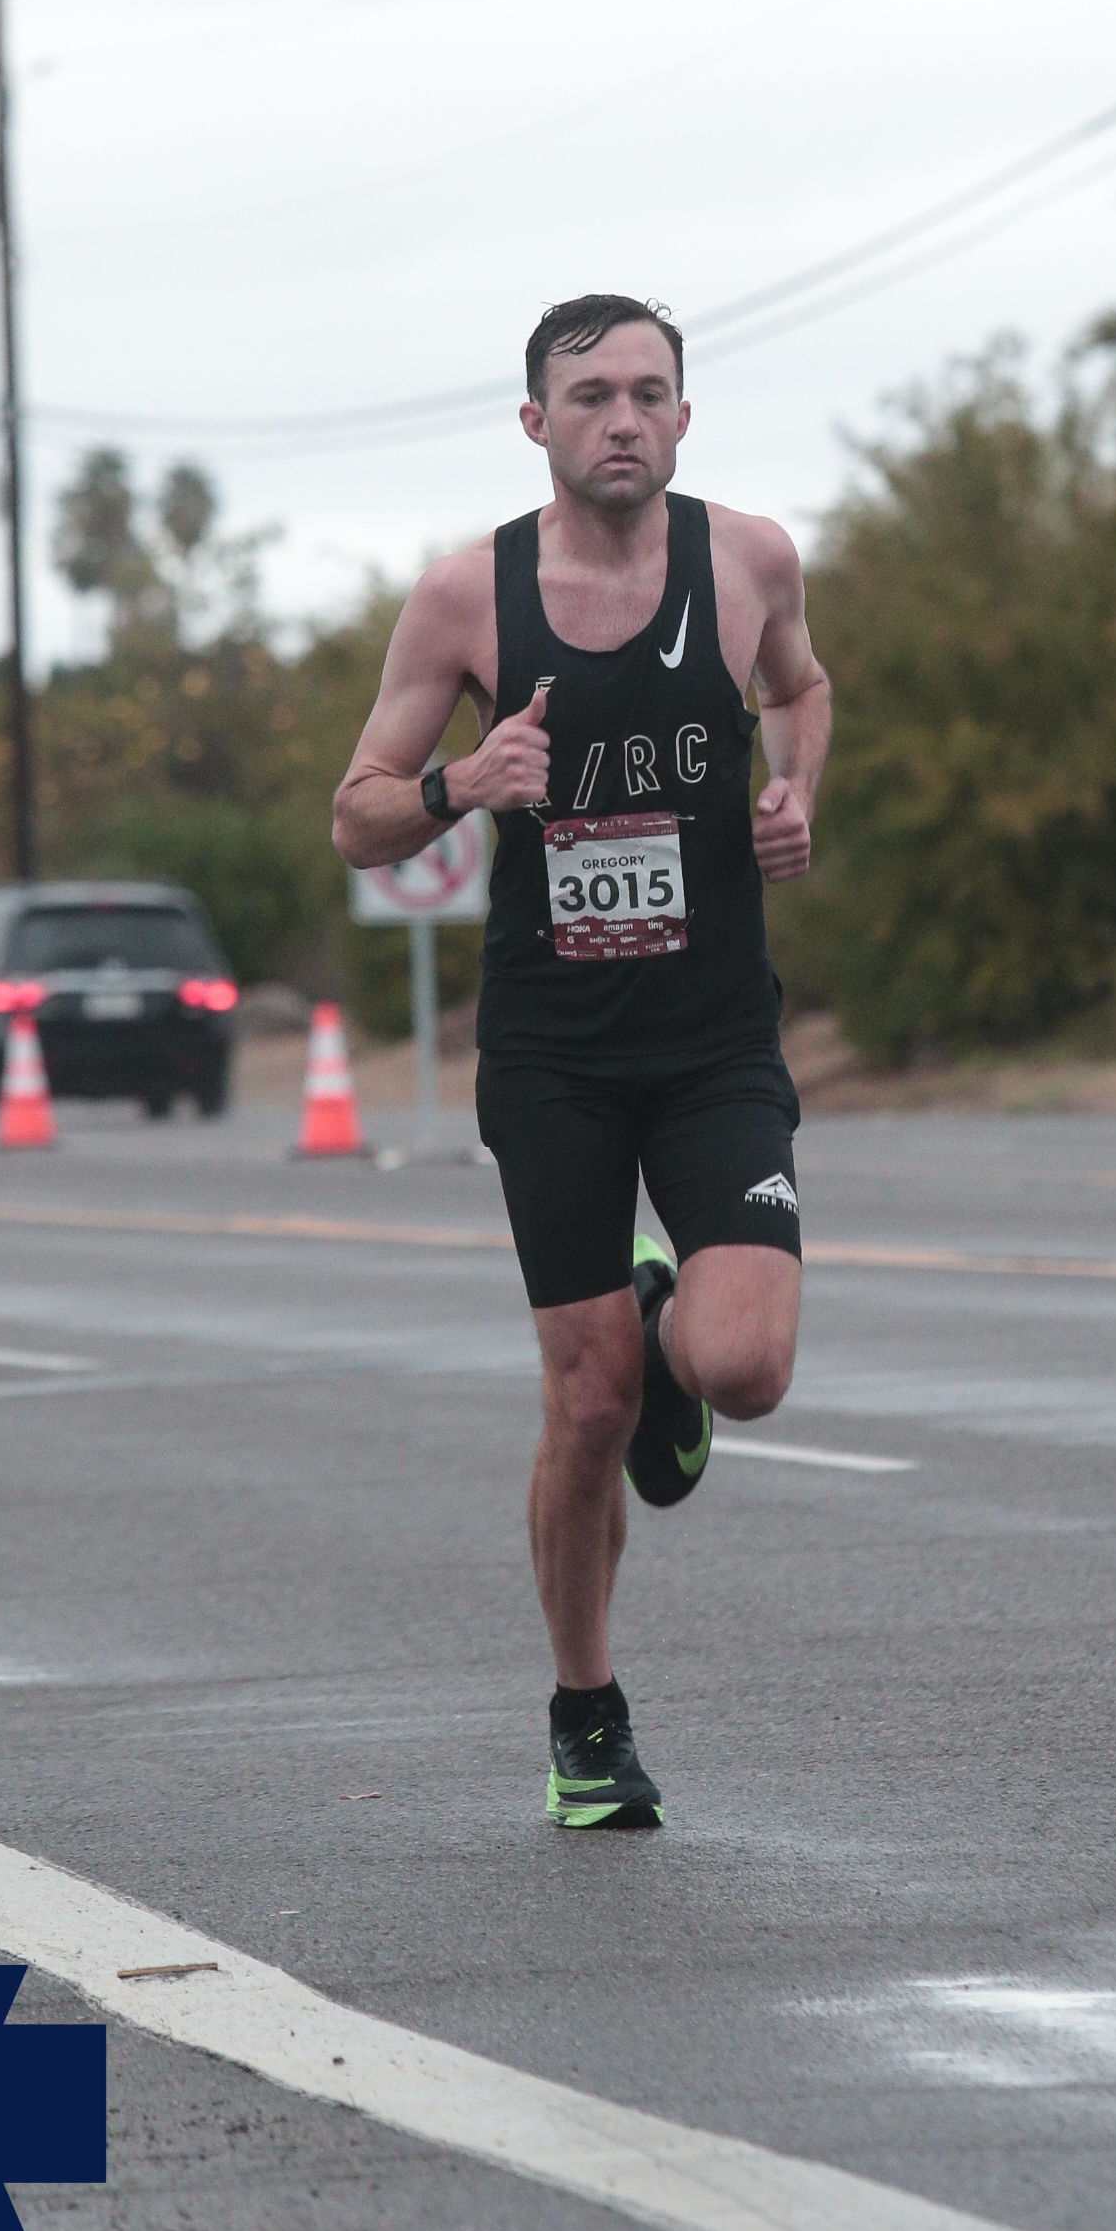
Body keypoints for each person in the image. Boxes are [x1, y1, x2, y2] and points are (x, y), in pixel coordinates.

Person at [333, 293, 832, 1828]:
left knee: (743, 1371)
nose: (623, 418)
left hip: (713, 1038)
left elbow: (801, 688)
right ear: (535, 422)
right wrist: (462, 782)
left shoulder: (748, 561)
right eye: (591, 393)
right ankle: (587, 1717)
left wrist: (795, 792)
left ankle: (671, 1317)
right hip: (551, 1049)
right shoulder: (465, 599)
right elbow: (356, 816)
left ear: (684, 416)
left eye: (648, 392)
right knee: (591, 1403)